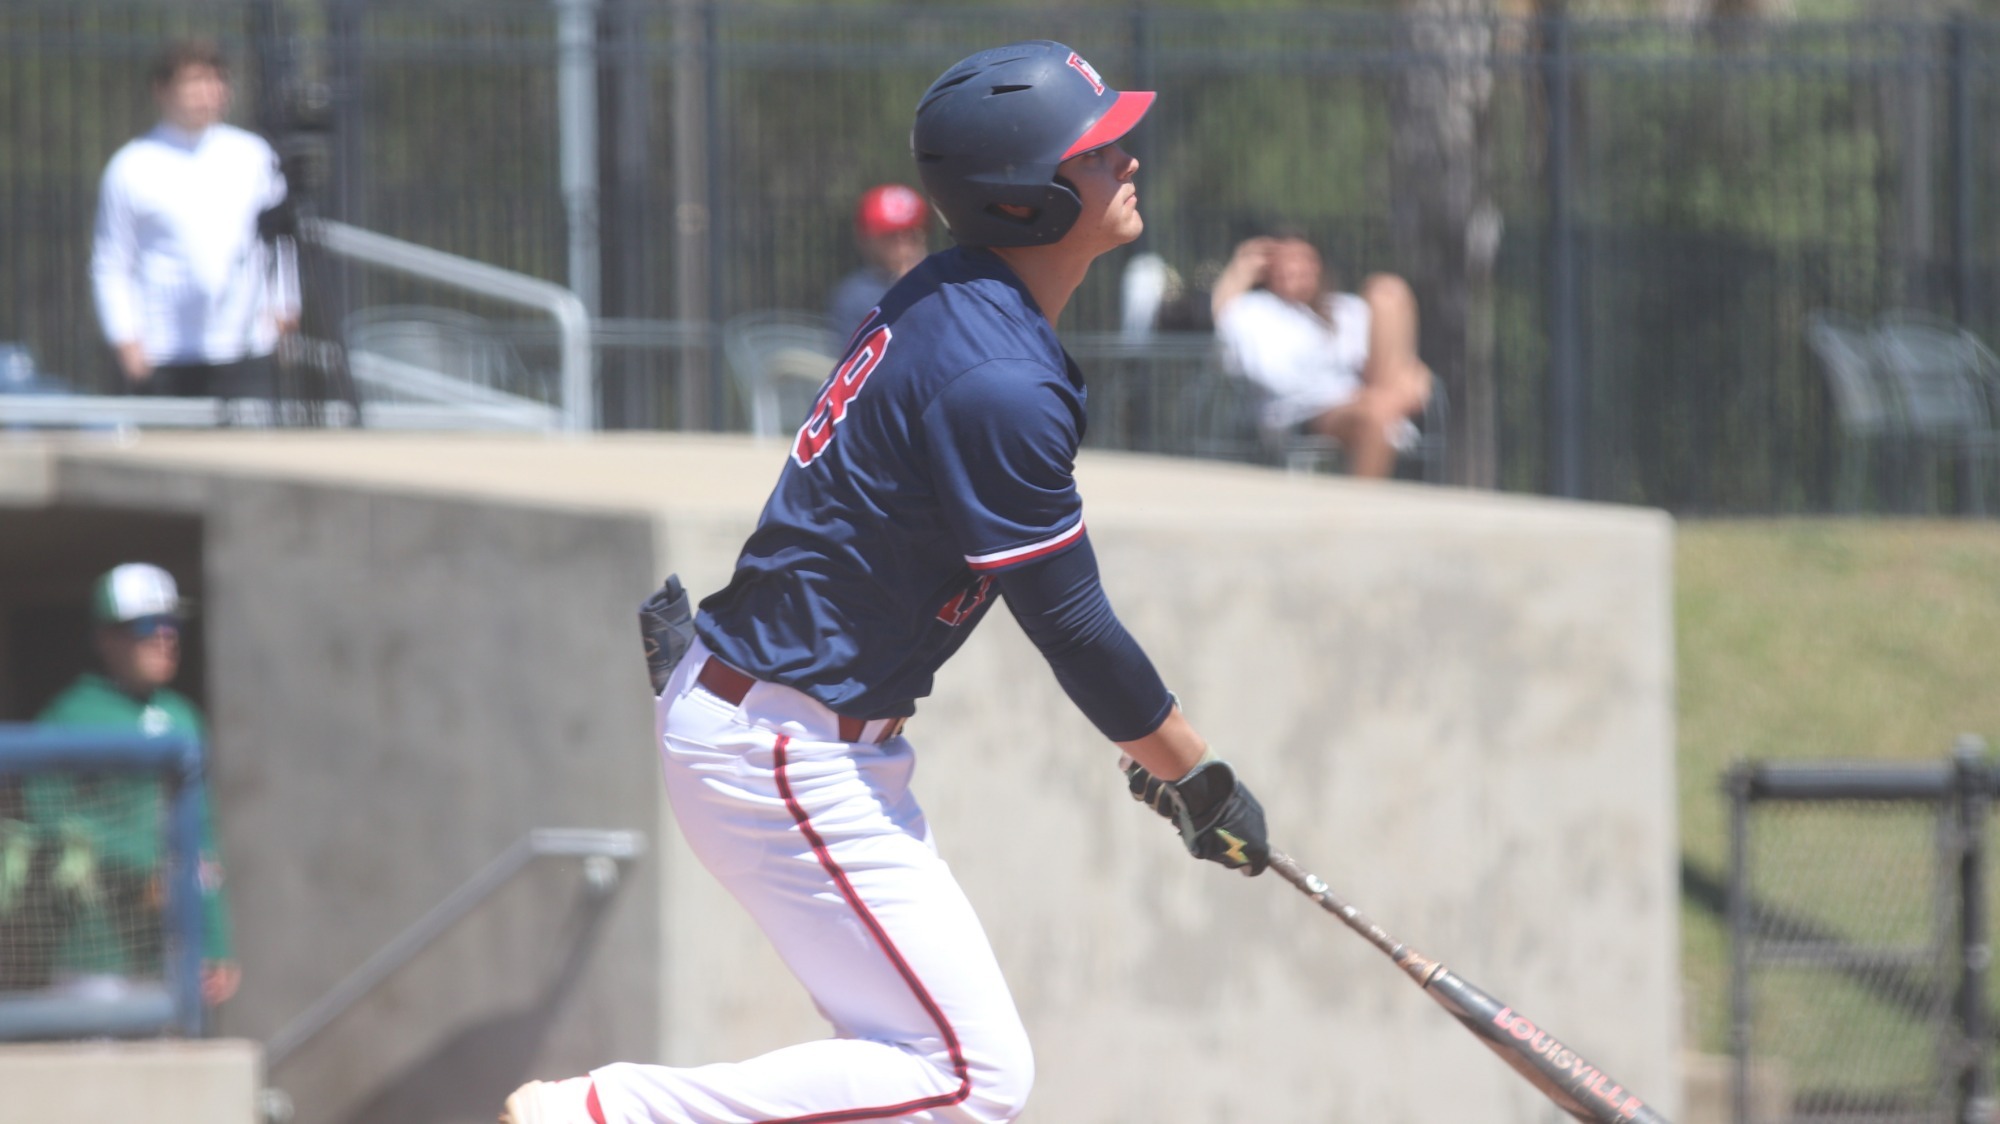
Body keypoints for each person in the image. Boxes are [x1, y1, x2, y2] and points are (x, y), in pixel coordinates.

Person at [503, 40, 1270, 1124]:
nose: (1128, 159)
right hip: (785, 742)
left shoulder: (955, 296)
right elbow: (1073, 626)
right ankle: (602, 1115)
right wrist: (1195, 773)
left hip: (789, 724)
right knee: (969, 1075)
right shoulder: (996, 378)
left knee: (917, 1069)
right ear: (1027, 196)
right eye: (1097, 149)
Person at [24, 563, 238, 1008]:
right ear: (105, 638)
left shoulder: (183, 717)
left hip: (171, 955)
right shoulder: (72, 714)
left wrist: (216, 944)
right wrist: (145, 866)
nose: (165, 636)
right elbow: (46, 820)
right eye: (146, 624)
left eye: (172, 623)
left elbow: (203, 839)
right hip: (94, 955)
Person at [91, 39, 298, 410]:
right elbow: (111, 261)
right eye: (195, 81)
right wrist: (126, 339)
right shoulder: (130, 166)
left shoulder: (254, 156)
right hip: (163, 352)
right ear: (162, 90)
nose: (208, 92)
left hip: (245, 346)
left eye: (217, 80)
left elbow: (280, 241)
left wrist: (285, 309)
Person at [1211, 231, 1432, 479]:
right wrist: (1239, 272)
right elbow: (1226, 320)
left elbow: (1381, 357)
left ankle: (1391, 402)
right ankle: (1363, 499)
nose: (1298, 268)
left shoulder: (1343, 309)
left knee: (1387, 291)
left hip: (1358, 396)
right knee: (1379, 413)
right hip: (1302, 412)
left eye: (1306, 259)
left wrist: (1412, 375)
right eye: (1288, 261)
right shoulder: (1256, 311)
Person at [827, 183, 931, 335]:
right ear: (866, 240)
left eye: (912, 234)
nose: (903, 243)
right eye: (891, 236)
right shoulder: (856, 296)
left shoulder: (946, 280)